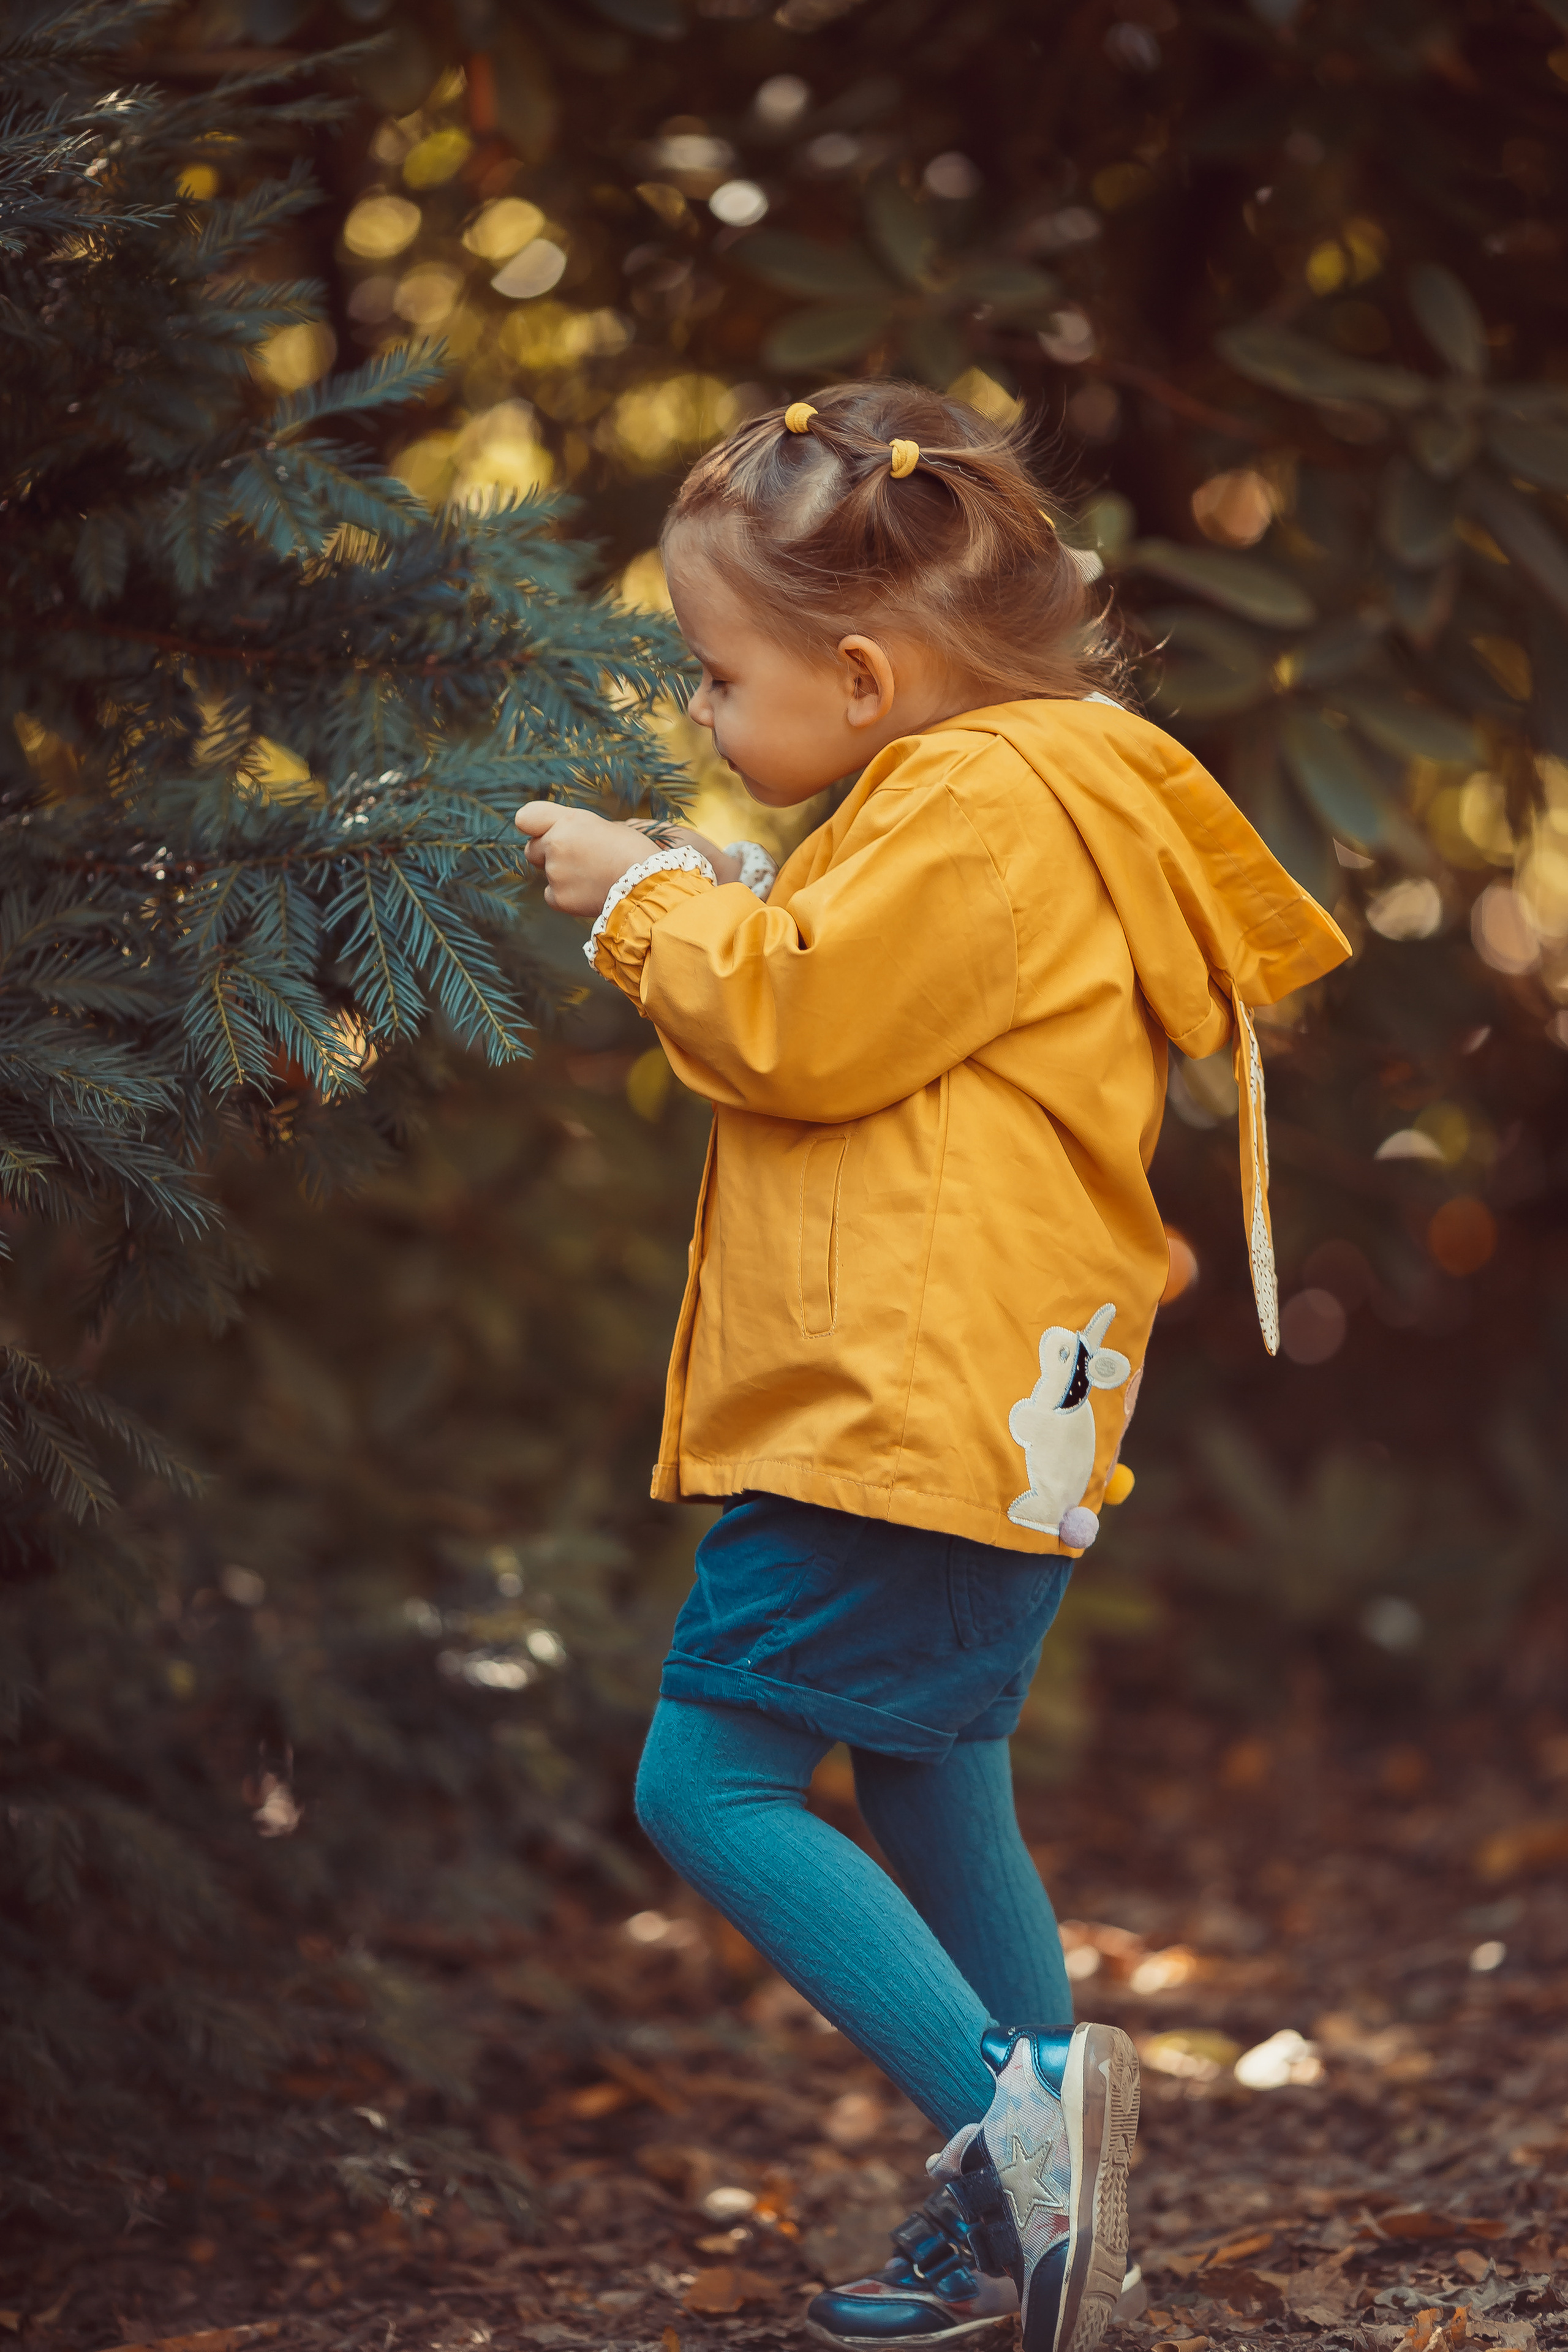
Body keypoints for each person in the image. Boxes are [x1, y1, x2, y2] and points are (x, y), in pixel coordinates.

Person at [514, 382, 1349, 2352]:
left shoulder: (978, 801)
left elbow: (800, 1037)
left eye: (721, 677)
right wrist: (735, 899)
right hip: (986, 1393)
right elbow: (877, 1017)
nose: (708, 718)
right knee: (930, 1772)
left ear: (869, 674)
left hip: (901, 1398)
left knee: (706, 1780)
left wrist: (643, 899)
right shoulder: (1003, 796)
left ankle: (1012, 2125)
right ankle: (1034, 2233)